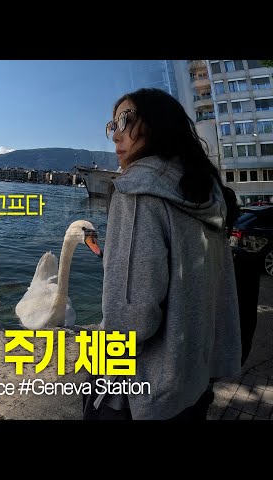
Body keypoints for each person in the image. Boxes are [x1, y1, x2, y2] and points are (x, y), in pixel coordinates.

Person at [85, 88, 242, 420]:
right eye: (112, 124)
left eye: (125, 120)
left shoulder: (137, 193)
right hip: (192, 382)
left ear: (158, 124)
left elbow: (129, 316)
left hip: (142, 393)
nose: (116, 135)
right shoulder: (205, 194)